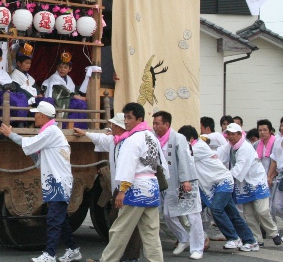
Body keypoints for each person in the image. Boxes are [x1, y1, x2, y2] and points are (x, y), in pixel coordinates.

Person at [0, 101, 81, 262]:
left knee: (53, 219)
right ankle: (73, 249)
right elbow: (36, 152)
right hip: (56, 181)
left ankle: (50, 254)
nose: (34, 117)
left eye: (36, 114)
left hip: (58, 182)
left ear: (42, 116)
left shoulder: (50, 132)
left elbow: (29, 144)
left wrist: (11, 134)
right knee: (60, 219)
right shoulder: (51, 131)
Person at [88, 102, 167, 262]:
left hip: (135, 187)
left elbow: (128, 166)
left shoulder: (133, 139)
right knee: (151, 234)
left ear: (139, 119)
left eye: (129, 118)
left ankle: (107, 260)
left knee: (119, 230)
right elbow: (161, 164)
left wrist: (122, 190)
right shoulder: (152, 137)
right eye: (125, 117)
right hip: (151, 187)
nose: (126, 121)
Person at [178, 125, 258, 252]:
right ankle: (250, 241)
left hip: (223, 181)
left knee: (216, 208)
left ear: (191, 138)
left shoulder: (197, 148)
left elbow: (182, 158)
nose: (230, 136)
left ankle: (233, 238)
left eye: (181, 140)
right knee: (233, 214)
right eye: (228, 133)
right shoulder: (197, 146)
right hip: (214, 184)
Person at [74, 113, 142, 262]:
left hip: (127, 187)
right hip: (119, 187)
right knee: (118, 220)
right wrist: (85, 133)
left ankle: (128, 256)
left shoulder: (129, 142)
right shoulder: (114, 140)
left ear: (118, 127)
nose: (110, 126)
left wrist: (123, 191)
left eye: (113, 124)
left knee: (124, 222)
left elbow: (130, 168)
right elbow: (100, 139)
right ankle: (125, 255)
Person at [217, 123, 282, 247]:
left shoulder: (245, 147)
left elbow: (239, 168)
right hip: (243, 184)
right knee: (249, 214)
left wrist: (224, 178)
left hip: (256, 182)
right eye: (228, 134)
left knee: (262, 210)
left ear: (240, 134)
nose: (230, 137)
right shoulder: (230, 146)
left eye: (233, 134)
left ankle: (274, 233)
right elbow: (220, 155)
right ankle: (257, 238)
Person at [152, 111, 205, 259]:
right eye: (154, 123)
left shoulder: (178, 138)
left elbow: (184, 159)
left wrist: (186, 180)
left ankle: (197, 248)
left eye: (157, 123)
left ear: (166, 124)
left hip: (184, 182)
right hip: (168, 183)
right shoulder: (155, 138)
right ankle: (183, 237)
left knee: (192, 214)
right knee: (168, 214)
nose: (154, 126)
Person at [0, 41, 31, 120]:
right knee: (7, 96)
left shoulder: (4, 73)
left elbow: (13, 88)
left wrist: (4, 87)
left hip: (3, 95)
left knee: (21, 96)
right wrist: (5, 88)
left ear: (0, 59)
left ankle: (20, 121)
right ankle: (5, 121)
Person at [267, 136, 283, 225]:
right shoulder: (278, 141)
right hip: (280, 176)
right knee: (277, 205)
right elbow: (274, 160)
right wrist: (269, 176)